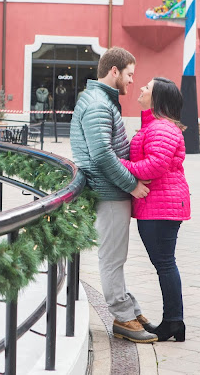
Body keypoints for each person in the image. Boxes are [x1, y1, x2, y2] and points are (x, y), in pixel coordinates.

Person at [70, 47, 157, 343]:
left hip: (110, 190)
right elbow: (102, 155)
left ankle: (128, 308)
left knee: (115, 256)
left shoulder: (101, 100)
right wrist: (132, 185)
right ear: (115, 71)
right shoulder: (97, 104)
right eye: (130, 74)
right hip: (109, 192)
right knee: (112, 257)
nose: (133, 81)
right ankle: (122, 317)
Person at [120, 77, 191, 342]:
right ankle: (174, 321)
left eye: (147, 88)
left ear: (157, 97)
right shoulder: (157, 125)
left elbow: (154, 166)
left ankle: (174, 321)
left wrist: (119, 166)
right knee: (165, 264)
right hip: (160, 205)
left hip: (161, 206)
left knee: (164, 264)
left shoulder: (161, 127)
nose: (140, 88)